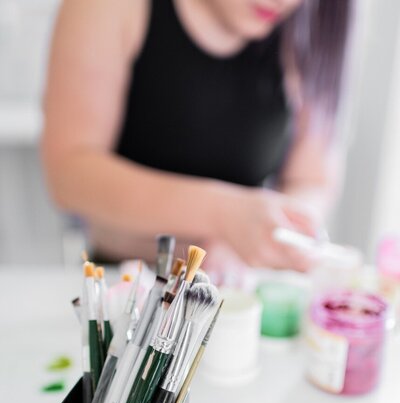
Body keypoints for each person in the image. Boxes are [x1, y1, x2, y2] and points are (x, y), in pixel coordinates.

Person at [41, 0, 353, 272]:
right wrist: (222, 215)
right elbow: (69, 174)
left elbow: (312, 180)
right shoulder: (110, 7)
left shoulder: (312, 23)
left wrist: (271, 235)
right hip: (124, 282)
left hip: (237, 286)